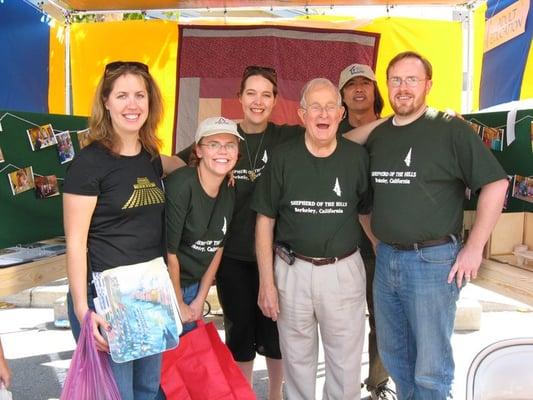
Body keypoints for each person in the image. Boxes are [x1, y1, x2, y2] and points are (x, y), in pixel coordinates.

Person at [366, 51, 508, 399]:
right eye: (396, 80)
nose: (403, 88)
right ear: (387, 85)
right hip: (387, 260)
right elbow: (342, 145)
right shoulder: (379, 136)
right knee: (396, 356)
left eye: (412, 80)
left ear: (428, 85)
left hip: (432, 262)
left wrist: (474, 247)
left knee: (431, 370)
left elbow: (497, 183)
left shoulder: (449, 130)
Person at [177, 65, 304, 400]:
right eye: (251, 93)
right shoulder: (224, 136)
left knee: (275, 334)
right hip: (231, 255)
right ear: (240, 97)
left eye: (266, 94)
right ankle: (243, 394)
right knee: (240, 335)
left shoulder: (286, 136)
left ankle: (275, 394)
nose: (258, 101)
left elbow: (333, 136)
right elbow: (180, 162)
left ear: (276, 99)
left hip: (277, 256)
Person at [63, 60, 183, 400]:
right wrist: (83, 309)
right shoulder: (88, 164)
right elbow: (75, 243)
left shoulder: (150, 157)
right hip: (107, 298)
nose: (132, 105)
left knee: (147, 390)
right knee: (119, 394)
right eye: (122, 95)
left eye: (140, 95)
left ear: (150, 102)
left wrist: (206, 168)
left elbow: (175, 165)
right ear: (106, 102)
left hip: (150, 294)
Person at [252, 78, 372, 400]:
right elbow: (265, 220)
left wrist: (383, 253)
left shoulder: (356, 158)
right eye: (315, 107)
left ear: (340, 113)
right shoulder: (282, 157)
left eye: (330, 106)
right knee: (297, 364)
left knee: (346, 368)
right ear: (302, 115)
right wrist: (267, 282)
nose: (323, 113)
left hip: (343, 271)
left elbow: (365, 213)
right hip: (293, 272)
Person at [336, 63, 395, 400]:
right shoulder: (336, 133)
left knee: (383, 320)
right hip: (345, 243)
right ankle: (341, 388)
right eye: (351, 85)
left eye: (365, 83)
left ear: (376, 89)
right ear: (342, 95)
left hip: (386, 243)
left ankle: (377, 385)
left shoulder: (396, 129)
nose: (359, 89)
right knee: (341, 324)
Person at [165, 117, 241, 334]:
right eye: (213, 144)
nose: (223, 151)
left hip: (194, 288)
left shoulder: (228, 187)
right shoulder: (181, 186)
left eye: (230, 145)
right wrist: (179, 302)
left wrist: (200, 298)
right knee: (163, 366)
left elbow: (218, 247)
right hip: (166, 290)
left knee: (186, 365)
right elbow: (169, 254)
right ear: (198, 151)